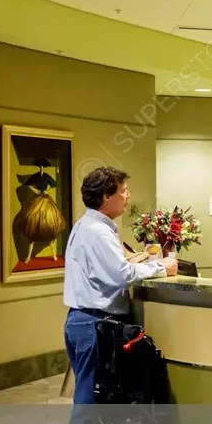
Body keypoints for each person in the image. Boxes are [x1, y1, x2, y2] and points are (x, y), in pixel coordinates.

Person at [62, 167, 178, 405]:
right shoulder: (99, 233)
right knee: (91, 404)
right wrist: (162, 268)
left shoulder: (84, 226)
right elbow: (121, 274)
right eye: (123, 191)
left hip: (83, 321)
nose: (128, 196)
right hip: (95, 325)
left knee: (98, 400)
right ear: (107, 195)